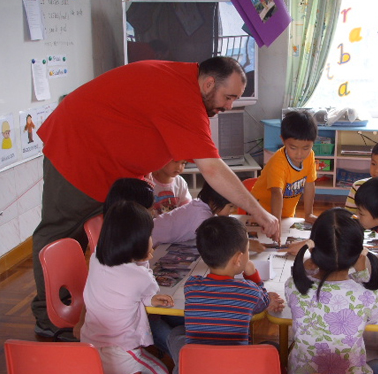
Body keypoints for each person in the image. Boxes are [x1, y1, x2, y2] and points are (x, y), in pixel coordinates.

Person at [32, 56, 278, 337]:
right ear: (209, 83)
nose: (229, 106)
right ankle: (49, 321)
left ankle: (128, 310)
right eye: (228, 97)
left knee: (128, 241)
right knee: (61, 235)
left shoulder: (187, 83)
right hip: (77, 154)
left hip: (118, 170)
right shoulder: (182, 97)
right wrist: (259, 212)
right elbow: (212, 168)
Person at [286, 208, 378, 374]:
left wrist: (308, 268)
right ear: (357, 255)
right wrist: (362, 273)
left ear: (312, 249)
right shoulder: (365, 295)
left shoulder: (294, 285)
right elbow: (373, 318)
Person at [167, 216, 284, 373]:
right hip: (236, 367)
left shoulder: (191, 286)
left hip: (201, 366)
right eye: (247, 250)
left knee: (176, 333)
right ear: (238, 259)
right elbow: (263, 299)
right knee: (274, 347)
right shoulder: (250, 292)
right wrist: (252, 274)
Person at [80, 201, 175, 374]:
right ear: (137, 242)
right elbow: (150, 287)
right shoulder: (140, 277)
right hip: (120, 351)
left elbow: (126, 292)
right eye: (149, 235)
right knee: (161, 370)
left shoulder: (96, 257)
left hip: (88, 345)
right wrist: (144, 258)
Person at [251, 110, 318, 243]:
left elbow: (310, 184)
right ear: (283, 140)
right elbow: (277, 193)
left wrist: (308, 214)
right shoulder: (278, 162)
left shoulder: (310, 156)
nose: (300, 154)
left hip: (285, 214)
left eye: (306, 148)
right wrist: (276, 225)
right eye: (293, 148)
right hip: (262, 213)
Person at [151, 181, 236, 246]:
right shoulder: (202, 216)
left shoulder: (199, 204)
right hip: (151, 237)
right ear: (214, 201)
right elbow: (212, 242)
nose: (233, 210)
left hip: (154, 230)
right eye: (231, 206)